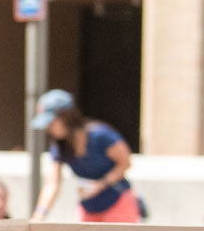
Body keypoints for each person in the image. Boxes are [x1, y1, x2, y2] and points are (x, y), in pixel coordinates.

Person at [29, 90, 137, 223]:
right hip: (89, 207)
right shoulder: (59, 147)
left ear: (66, 116)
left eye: (51, 123)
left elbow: (125, 163)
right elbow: (53, 183)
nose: (48, 128)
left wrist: (101, 184)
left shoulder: (100, 136)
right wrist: (39, 215)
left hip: (118, 203)